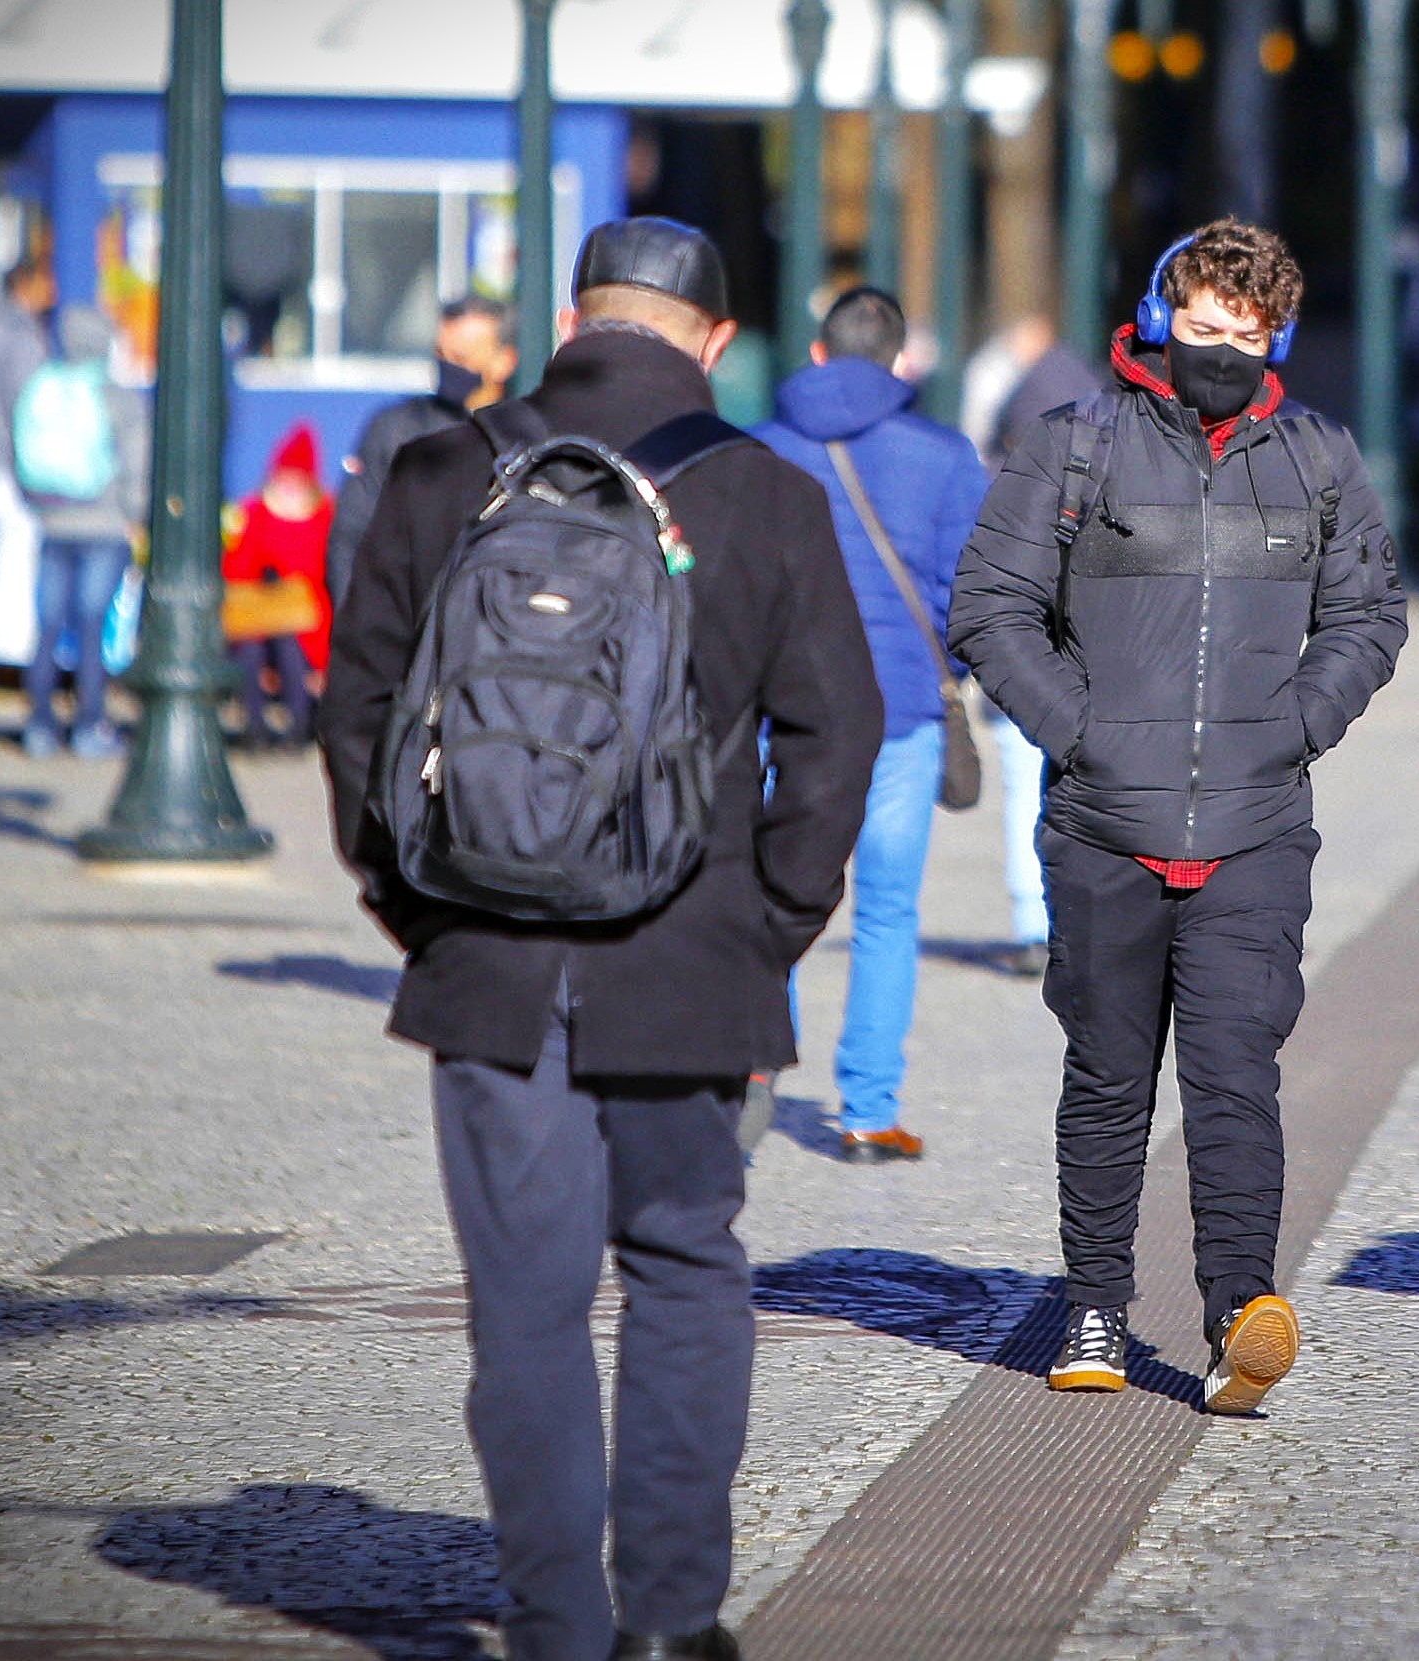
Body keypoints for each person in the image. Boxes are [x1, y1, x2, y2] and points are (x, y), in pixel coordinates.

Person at [320, 217, 881, 1661]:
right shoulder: (765, 495)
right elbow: (836, 735)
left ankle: (556, 1626)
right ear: (708, 337)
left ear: (573, 317)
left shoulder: (449, 469)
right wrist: (767, 925)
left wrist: (421, 907)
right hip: (691, 962)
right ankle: (674, 1623)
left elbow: (361, 711)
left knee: (526, 1307)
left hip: (487, 964)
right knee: (689, 1268)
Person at [950, 217, 1408, 1414]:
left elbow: (1370, 615)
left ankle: (1238, 1313)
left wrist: (1300, 722)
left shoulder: (1315, 456)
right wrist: (1082, 730)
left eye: (1244, 335)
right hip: (1103, 824)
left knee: (1234, 1075)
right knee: (1108, 1077)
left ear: (1278, 338)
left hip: (1256, 823)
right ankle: (1096, 1304)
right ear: (1158, 322)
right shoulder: (1073, 446)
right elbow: (990, 608)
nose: (1220, 350)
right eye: (1201, 328)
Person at [750, 287, 991, 1162]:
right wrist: (947, 674)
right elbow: (974, 593)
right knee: (888, 910)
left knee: (773, 891)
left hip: (787, 708)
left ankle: (751, 1074)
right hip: (899, 709)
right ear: (900, 362)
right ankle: (867, 1110)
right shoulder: (943, 453)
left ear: (817, 353)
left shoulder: (763, 447)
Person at [961, 315, 1106, 978]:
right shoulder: (1114, 466)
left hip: (1022, 663)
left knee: (1025, 782)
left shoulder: (1003, 479)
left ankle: (1032, 923)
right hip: (1088, 665)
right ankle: (1077, 919)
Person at [15, 307, 149, 760]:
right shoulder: (117, 397)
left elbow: (22, 453)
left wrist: (38, 505)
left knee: (48, 626)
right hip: (105, 525)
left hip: (52, 521)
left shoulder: (42, 388)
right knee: (94, 629)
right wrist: (136, 513)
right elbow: (136, 463)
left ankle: (39, 726)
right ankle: (90, 725)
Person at [325, 296, 517, 607]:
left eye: (460, 357)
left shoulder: (525, 438)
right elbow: (350, 537)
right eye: (440, 354)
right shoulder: (397, 430)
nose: (447, 367)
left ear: (504, 361)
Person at [222, 424, 334, 750]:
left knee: (291, 643)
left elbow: (324, 577)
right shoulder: (254, 512)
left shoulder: (324, 513)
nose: (288, 483)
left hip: (306, 616)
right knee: (251, 647)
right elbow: (235, 569)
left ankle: (298, 724)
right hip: (259, 610)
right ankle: (254, 725)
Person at [0, 258, 58, 673]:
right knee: (17, 556)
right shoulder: (21, 335)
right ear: (27, 284)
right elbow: (26, 408)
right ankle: (10, 661)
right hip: (13, 463)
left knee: (3, 552)